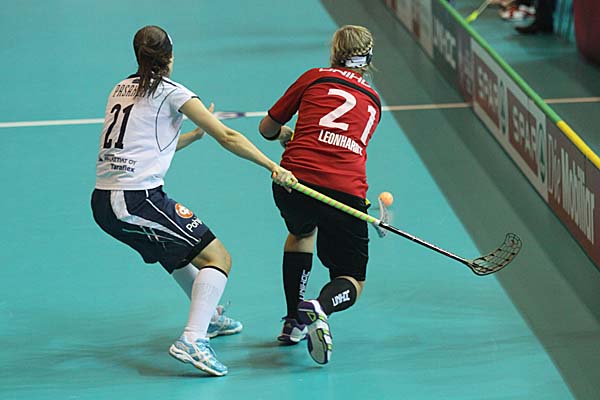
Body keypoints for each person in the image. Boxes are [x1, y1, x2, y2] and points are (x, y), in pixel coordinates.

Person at [91, 25, 297, 376]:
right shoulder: (174, 92)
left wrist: (192, 136)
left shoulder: (120, 88)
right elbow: (228, 136)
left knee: (172, 252)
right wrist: (273, 166)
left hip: (108, 200)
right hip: (133, 201)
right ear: (170, 58)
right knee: (218, 257)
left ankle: (209, 318)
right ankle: (192, 338)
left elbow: (145, 147)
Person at [258, 25, 381, 365]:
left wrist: (285, 135)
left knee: (301, 233)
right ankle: (319, 307)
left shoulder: (314, 77)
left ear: (334, 53)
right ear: (368, 59)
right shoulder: (374, 102)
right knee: (352, 279)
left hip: (293, 183)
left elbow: (266, 129)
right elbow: (347, 147)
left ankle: (293, 321)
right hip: (345, 193)